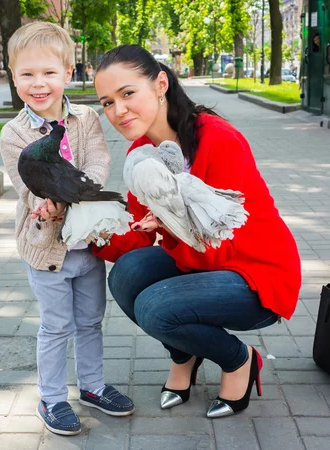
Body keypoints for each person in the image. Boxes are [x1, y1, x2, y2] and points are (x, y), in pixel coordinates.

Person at [93, 44, 301, 418]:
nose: (118, 111)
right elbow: (139, 236)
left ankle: (240, 361)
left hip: (256, 273)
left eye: (127, 94)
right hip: (203, 266)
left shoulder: (218, 141)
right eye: (107, 102)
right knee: (126, 276)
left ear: (160, 84)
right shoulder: (142, 152)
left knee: (155, 308)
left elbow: (216, 250)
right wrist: (88, 225)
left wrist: (170, 229)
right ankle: (183, 354)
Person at [0, 22, 135, 436]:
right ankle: (53, 397)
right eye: (27, 74)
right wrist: (45, 203)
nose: (39, 84)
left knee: (91, 320)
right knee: (56, 325)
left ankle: (92, 386)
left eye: (48, 73)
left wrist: (83, 192)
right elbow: (25, 186)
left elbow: (98, 161)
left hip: (87, 247)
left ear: (68, 73)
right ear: (13, 77)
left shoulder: (86, 119)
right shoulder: (14, 133)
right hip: (46, 250)